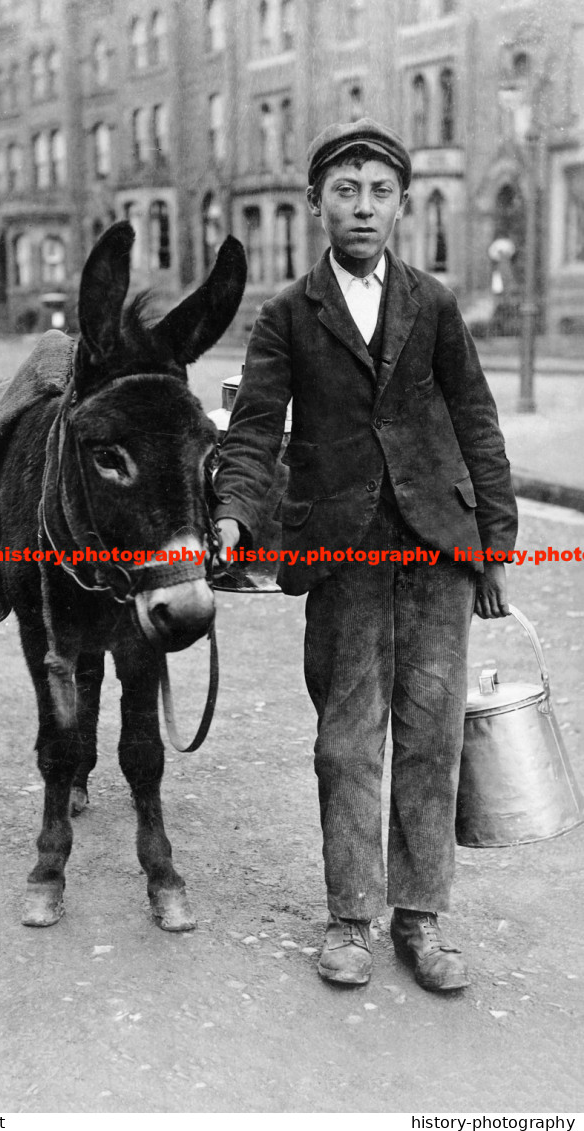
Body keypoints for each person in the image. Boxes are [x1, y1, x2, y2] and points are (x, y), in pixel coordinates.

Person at [213, 118, 517, 992]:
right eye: (345, 190)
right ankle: (352, 914)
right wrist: (233, 515)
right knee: (347, 743)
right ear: (316, 205)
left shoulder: (435, 302)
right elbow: (253, 432)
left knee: (429, 737)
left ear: (403, 205)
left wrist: (494, 544)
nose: (363, 207)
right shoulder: (284, 315)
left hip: (436, 551)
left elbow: (477, 422)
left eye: (380, 191)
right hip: (343, 555)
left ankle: (420, 919)